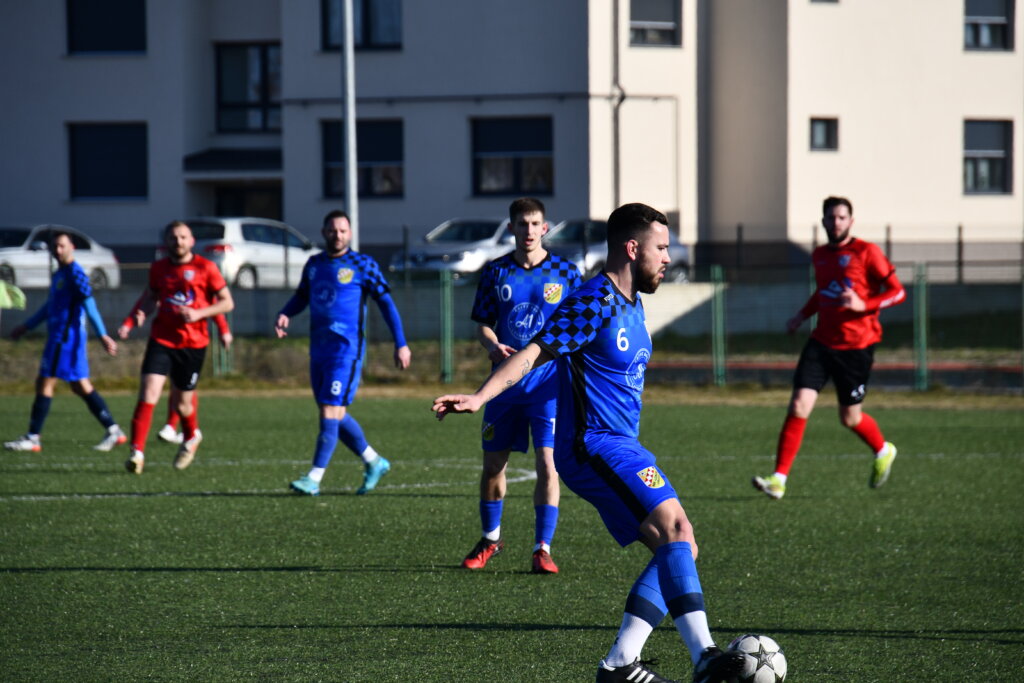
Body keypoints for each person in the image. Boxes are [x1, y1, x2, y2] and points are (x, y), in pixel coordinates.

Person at [434, 203, 745, 683]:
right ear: (631, 247)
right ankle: (703, 657)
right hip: (592, 444)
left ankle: (620, 664)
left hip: (623, 443)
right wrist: (480, 397)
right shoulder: (592, 301)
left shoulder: (632, 303)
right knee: (676, 530)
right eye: (661, 248)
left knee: (680, 547)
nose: (668, 258)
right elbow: (535, 351)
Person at [753, 196, 906, 500]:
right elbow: (823, 293)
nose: (835, 222)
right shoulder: (820, 254)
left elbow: (897, 292)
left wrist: (865, 304)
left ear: (851, 221)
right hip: (821, 342)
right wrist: (801, 315)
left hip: (857, 347)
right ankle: (779, 479)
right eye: (830, 217)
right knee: (798, 405)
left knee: (849, 418)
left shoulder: (867, 252)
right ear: (823, 222)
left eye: (841, 217)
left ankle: (882, 449)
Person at [461, 197, 582, 575]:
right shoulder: (496, 272)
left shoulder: (566, 273)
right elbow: (482, 322)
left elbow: (581, 326)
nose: (528, 231)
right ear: (511, 228)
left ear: (545, 228)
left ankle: (542, 549)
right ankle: (490, 540)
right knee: (494, 466)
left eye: (535, 224)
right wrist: (491, 344)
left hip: (548, 387)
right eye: (522, 224)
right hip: (503, 387)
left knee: (549, 465)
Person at [276, 210, 411, 496]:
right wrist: (286, 313)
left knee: (329, 409)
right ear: (324, 232)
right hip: (319, 350)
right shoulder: (314, 265)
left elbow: (386, 304)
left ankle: (313, 478)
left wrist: (400, 343)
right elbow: (302, 295)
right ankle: (374, 461)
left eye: (343, 231)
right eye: (332, 230)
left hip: (346, 352)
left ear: (349, 234)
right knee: (333, 413)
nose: (337, 235)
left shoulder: (363, 264)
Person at [117, 220, 234, 474]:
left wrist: (200, 314)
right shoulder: (159, 268)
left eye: (182, 237)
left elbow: (226, 303)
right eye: (173, 237)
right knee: (149, 393)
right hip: (162, 339)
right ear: (166, 241)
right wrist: (136, 317)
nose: (178, 242)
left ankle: (191, 436)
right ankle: (136, 453)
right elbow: (150, 298)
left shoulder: (207, 268)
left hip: (193, 344)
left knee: (183, 405)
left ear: (191, 241)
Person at [3, 231, 127, 452]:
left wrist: (102, 335)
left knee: (46, 382)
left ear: (72, 247)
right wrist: (27, 325)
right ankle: (113, 429)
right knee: (80, 386)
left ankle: (33, 437)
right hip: (60, 337)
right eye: (55, 247)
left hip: (66, 339)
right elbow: (50, 307)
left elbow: (90, 305)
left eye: (62, 246)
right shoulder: (60, 273)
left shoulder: (75, 273)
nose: (58, 250)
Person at [156, 314, 232, 445]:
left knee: (185, 386)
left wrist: (224, 330)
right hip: (171, 339)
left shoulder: (199, 294)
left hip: (193, 342)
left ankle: (178, 428)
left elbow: (216, 305)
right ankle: (179, 428)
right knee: (177, 383)